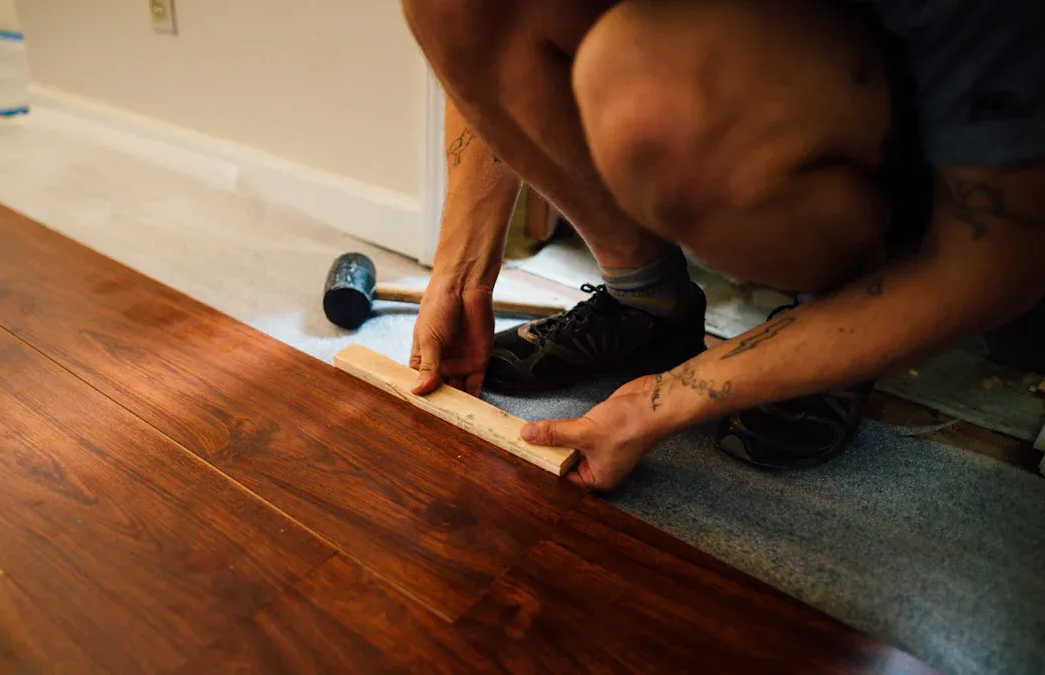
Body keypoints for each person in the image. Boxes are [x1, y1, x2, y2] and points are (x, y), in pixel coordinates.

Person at [400, 0, 1045, 491]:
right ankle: (647, 307)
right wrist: (460, 276)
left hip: (918, 143)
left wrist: (665, 399)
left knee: (650, 98)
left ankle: (837, 308)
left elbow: (995, 261)